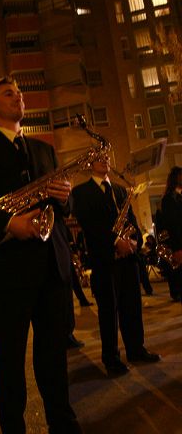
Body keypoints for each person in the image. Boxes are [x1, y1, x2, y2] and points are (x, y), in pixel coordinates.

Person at [0, 76, 82, 434]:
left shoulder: (44, 149)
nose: (18, 96)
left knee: (53, 356)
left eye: (20, 93)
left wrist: (65, 194)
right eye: (9, 94)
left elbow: (65, 207)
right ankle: (13, 428)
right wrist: (9, 224)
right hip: (9, 270)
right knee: (9, 360)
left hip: (51, 266)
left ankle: (63, 423)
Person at [72, 153, 160, 377]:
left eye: (107, 157)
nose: (105, 160)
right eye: (99, 158)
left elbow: (131, 220)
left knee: (133, 306)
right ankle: (111, 359)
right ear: (90, 164)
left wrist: (134, 242)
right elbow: (88, 224)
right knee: (108, 312)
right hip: (104, 261)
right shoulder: (80, 192)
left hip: (129, 259)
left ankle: (136, 349)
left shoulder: (121, 190)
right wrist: (115, 242)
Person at [161, 166, 182, 301]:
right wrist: (178, 248)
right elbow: (173, 225)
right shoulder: (169, 199)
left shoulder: (179, 196)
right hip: (179, 245)